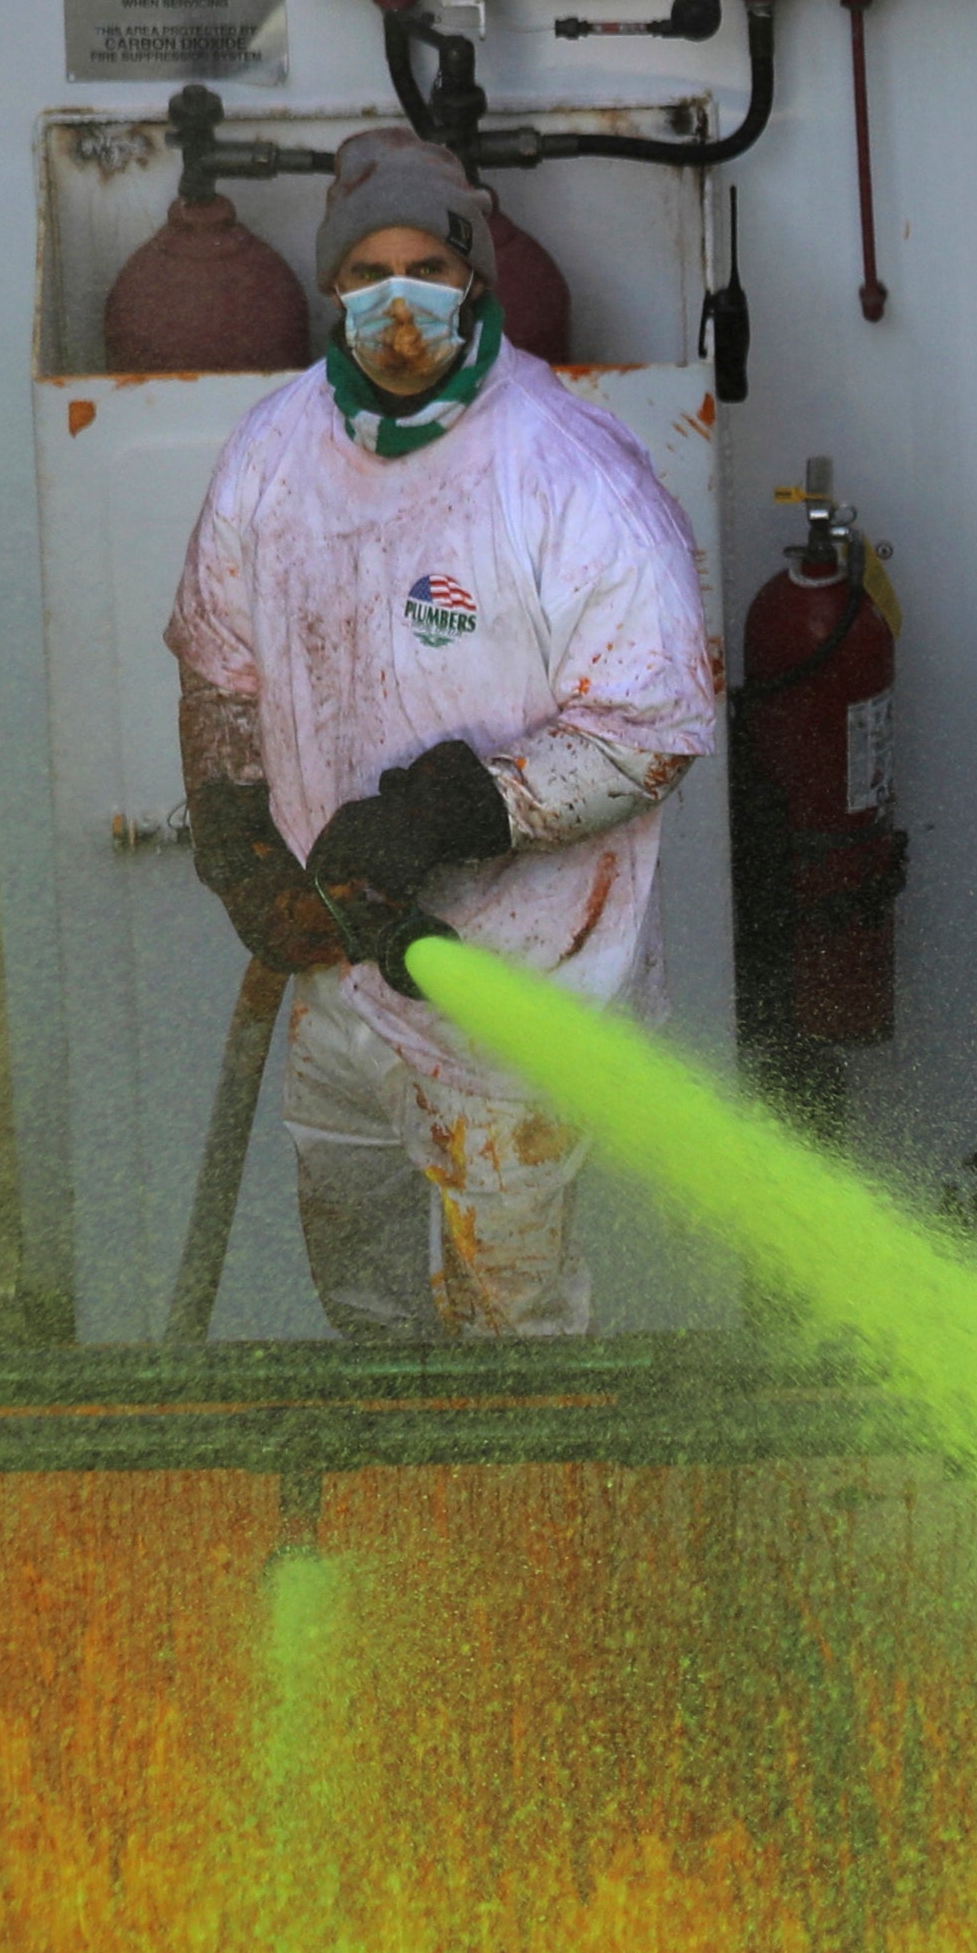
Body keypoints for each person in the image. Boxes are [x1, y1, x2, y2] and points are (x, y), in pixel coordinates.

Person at [163, 128, 720, 1336]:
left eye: (428, 268)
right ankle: (390, 1515)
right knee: (361, 1298)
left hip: (517, 996)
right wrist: (238, 837)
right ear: (331, 288)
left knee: (504, 1335)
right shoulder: (273, 450)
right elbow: (219, 671)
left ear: (475, 281)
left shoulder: (572, 476)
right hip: (340, 970)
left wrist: (455, 812)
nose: (397, 301)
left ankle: (519, 1522)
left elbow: (655, 723)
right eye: (368, 275)